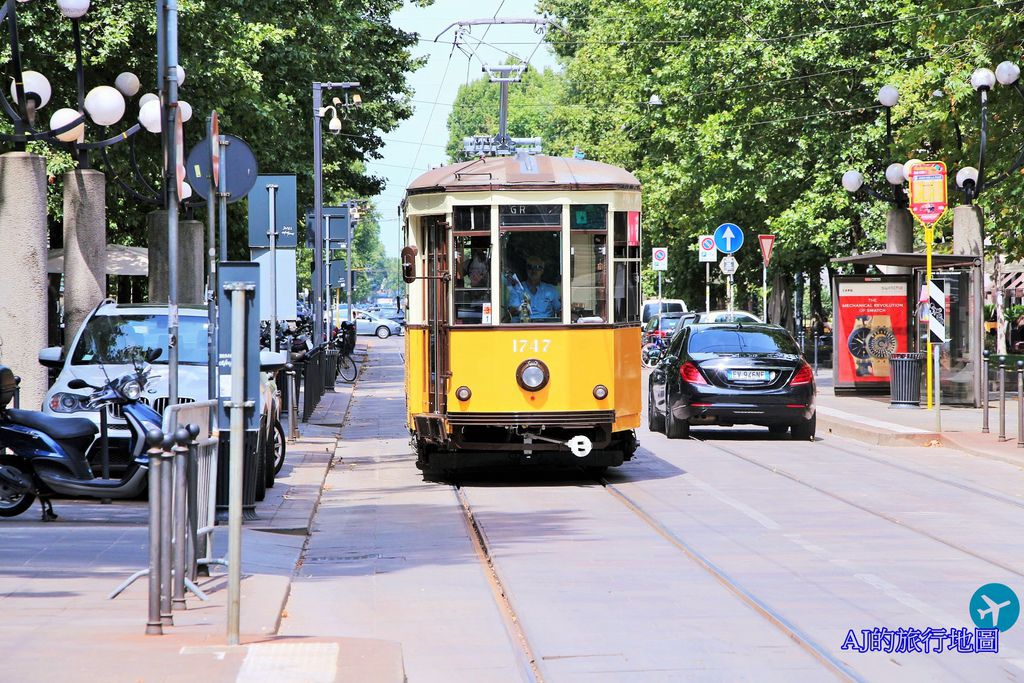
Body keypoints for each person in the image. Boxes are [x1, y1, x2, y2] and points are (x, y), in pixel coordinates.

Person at [506, 255, 560, 322]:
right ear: (526, 269)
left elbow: (560, 311)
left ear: (542, 270)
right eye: (530, 267)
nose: (533, 270)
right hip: (523, 327)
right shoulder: (517, 288)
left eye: (537, 267)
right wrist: (520, 309)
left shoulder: (551, 290)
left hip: (545, 328)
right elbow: (512, 311)